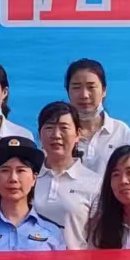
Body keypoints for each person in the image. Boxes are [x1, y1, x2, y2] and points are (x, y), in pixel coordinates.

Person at [0, 136, 66, 251]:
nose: (13, 178)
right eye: (5, 170)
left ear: (34, 178)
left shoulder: (51, 232)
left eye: (21, 170)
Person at [31, 101, 100, 249]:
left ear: (78, 134)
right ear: (40, 134)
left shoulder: (95, 183)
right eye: (49, 127)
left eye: (64, 128)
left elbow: (97, 239)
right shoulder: (27, 178)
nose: (56, 135)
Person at [65, 58, 130, 169]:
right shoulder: (60, 132)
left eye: (91, 87)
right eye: (76, 87)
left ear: (104, 90)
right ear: (68, 91)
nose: (84, 95)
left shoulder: (120, 131)